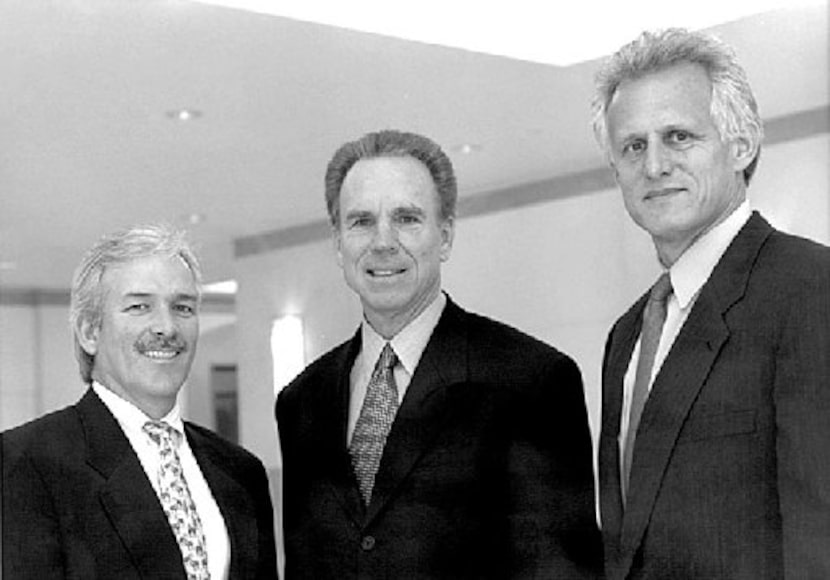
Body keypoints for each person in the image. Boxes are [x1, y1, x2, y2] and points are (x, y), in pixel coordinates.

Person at [276, 129, 602, 579]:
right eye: (361, 221)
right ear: (337, 243)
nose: (383, 241)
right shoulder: (301, 402)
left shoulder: (531, 381)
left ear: (445, 235)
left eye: (407, 218)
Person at [592, 28, 830, 579]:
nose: (653, 166)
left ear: (741, 144)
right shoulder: (627, 334)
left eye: (678, 137)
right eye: (633, 146)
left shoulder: (809, 288)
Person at [1, 224, 279, 579]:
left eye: (182, 307)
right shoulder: (24, 462)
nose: (166, 327)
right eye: (139, 306)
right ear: (89, 331)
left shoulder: (241, 472)